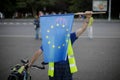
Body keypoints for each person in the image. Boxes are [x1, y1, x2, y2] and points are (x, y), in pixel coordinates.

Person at [28, 11, 91, 80]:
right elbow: (83, 29)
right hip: (67, 68)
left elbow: (39, 52)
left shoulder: (50, 39)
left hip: (55, 68)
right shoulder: (69, 37)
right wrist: (88, 18)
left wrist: (30, 63)